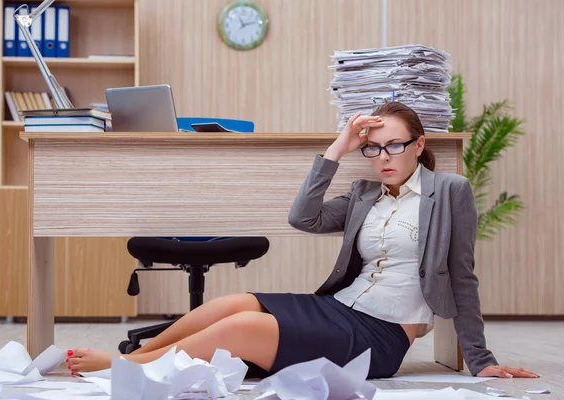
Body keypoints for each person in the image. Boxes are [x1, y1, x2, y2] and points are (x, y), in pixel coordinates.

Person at [66, 102, 538, 380]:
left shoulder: (449, 191)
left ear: (418, 145)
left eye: (395, 145)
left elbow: (463, 275)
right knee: (234, 304)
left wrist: (481, 361)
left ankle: (125, 368)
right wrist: (339, 148)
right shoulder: (365, 193)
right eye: (374, 148)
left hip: (381, 335)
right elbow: (303, 217)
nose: (383, 156)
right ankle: (137, 357)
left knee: (239, 331)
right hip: (339, 307)